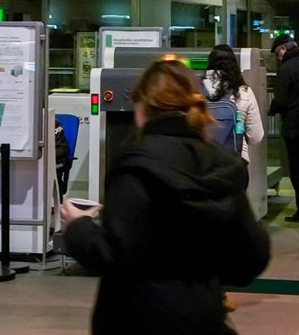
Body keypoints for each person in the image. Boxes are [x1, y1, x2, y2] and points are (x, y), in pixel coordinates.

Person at [60, 59, 270, 335]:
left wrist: (78, 227)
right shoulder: (219, 164)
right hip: (201, 317)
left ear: (143, 108)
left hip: (136, 318)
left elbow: (113, 255)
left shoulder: (135, 165)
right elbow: (250, 259)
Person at [267, 34, 299, 222]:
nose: (278, 57)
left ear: (284, 49)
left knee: (296, 169)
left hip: (294, 127)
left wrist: (271, 110)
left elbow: (280, 99)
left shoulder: (286, 68)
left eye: (278, 53)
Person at [203, 44, 264, 163]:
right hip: (235, 160)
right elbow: (256, 137)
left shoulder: (197, 90)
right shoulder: (244, 92)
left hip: (203, 161)